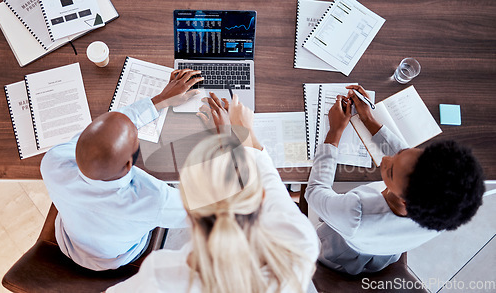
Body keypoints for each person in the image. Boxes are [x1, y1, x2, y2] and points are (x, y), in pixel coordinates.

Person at [107, 93, 319, 293]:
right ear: (261, 197)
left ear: (188, 213)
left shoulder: (161, 275)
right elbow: (269, 179)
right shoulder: (300, 244)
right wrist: (236, 133)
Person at [306, 85, 485, 275]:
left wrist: (334, 132)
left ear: (404, 200)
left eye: (390, 172)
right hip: (383, 250)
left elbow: (314, 190)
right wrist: (368, 119)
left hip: (337, 250)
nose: (385, 159)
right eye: (404, 152)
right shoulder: (443, 213)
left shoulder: (356, 213)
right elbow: (406, 163)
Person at [40, 69, 204, 271]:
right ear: (128, 164)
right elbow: (205, 211)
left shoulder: (53, 161)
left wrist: (161, 100)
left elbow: (107, 131)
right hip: (116, 257)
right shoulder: (152, 198)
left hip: (69, 240)